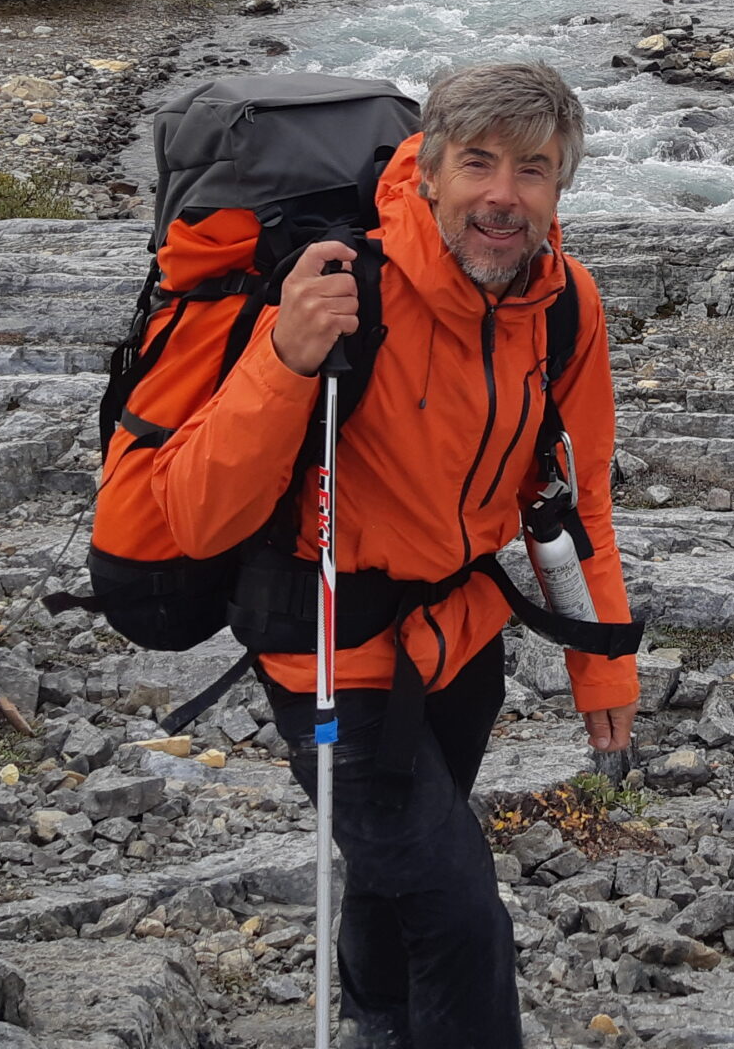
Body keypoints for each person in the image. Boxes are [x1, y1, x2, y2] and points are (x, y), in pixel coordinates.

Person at [149, 61, 636, 1048]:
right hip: (330, 650)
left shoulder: (564, 306)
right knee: (461, 916)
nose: (502, 194)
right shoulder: (342, 290)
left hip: (460, 647)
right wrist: (286, 362)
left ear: (559, 189)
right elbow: (195, 516)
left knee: (392, 873)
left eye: (533, 170)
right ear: (429, 175)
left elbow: (575, 504)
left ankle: (378, 1026)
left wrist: (602, 663)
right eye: (478, 163)